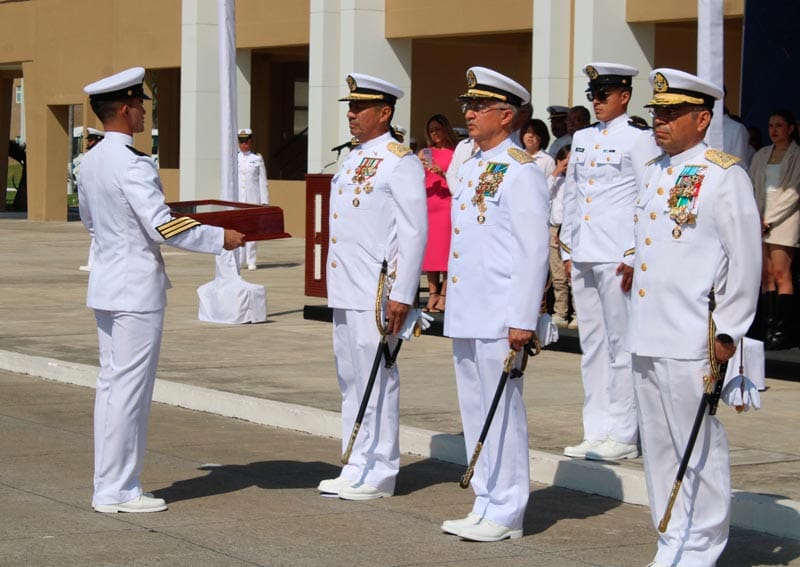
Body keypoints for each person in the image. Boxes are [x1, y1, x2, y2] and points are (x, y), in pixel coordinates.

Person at [78, 67, 245, 514]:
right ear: (128, 108)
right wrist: (218, 239)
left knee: (111, 387)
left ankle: (107, 484)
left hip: (107, 283)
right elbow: (163, 224)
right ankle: (121, 489)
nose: (144, 114)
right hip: (136, 290)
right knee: (129, 390)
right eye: (141, 107)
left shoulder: (89, 160)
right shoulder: (133, 163)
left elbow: (90, 223)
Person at [631, 68, 761, 567]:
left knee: (697, 443)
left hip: (693, 334)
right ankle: (671, 535)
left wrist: (730, 329)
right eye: (657, 112)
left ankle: (703, 543)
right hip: (648, 330)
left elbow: (744, 259)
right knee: (661, 444)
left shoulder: (723, 174)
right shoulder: (653, 170)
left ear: (702, 118)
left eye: (671, 113)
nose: (660, 122)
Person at [442, 66, 549, 542]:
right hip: (470, 309)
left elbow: (532, 250)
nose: (468, 112)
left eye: (479, 106)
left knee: (501, 410)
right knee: (474, 409)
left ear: (506, 116)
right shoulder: (472, 164)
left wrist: (523, 318)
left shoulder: (521, 171)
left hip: (502, 314)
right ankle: (484, 497)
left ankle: (507, 509)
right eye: (468, 104)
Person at [317, 73, 427, 501]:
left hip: (376, 290)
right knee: (351, 378)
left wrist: (403, 293)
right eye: (350, 106)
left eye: (360, 107)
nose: (351, 114)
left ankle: (380, 470)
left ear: (385, 112)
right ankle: (355, 461)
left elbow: (414, 232)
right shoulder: (354, 157)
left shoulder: (400, 160)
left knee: (378, 378)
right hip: (346, 286)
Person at [559, 62, 660, 462]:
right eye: (594, 95)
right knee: (593, 346)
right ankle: (595, 428)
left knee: (622, 346)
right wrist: (567, 246)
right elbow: (572, 193)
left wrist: (635, 252)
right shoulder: (582, 138)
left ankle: (622, 431)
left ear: (624, 96)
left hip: (616, 254)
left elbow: (646, 197)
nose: (598, 102)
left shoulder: (640, 140)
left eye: (605, 95)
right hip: (584, 252)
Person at [749, 108, 800, 350]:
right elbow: (752, 184)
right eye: (771, 126)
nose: (774, 130)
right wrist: (756, 216)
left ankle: (783, 330)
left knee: (781, 273)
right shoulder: (761, 154)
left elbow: (793, 193)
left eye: (779, 125)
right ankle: (768, 328)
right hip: (760, 219)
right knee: (766, 276)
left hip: (783, 219)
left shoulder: (797, 155)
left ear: (790, 129)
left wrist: (769, 218)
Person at [419, 114, 458, 313]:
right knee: (431, 253)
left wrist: (441, 173)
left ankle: (444, 295)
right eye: (431, 130)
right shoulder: (425, 153)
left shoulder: (454, 153)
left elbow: (456, 179)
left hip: (445, 204)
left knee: (444, 252)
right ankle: (432, 294)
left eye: (438, 129)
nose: (434, 133)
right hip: (428, 204)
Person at [548, 144, 575, 328]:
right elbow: (542, 193)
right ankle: (560, 311)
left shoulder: (578, 182)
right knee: (557, 274)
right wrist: (557, 171)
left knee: (572, 274)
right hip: (553, 227)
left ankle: (578, 312)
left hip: (571, 229)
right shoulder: (554, 180)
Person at [236, 128, 269, 270]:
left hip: (252, 199)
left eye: (246, 141)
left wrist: (264, 201)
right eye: (241, 142)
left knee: (252, 231)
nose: (244, 145)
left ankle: (251, 260)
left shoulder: (257, 159)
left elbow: (263, 180)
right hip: (238, 199)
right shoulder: (234, 158)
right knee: (237, 229)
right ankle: (240, 259)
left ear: (251, 142)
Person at [76, 128, 105, 272]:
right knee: (94, 231)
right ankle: (93, 262)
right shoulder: (88, 157)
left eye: (91, 139)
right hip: (89, 196)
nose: (89, 142)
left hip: (100, 199)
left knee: (98, 231)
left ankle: (95, 262)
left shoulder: (103, 156)